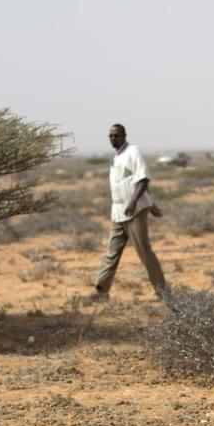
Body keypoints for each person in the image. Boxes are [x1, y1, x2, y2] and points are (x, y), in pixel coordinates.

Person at [90, 123, 167, 301]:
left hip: (134, 210)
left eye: (116, 135)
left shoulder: (133, 151)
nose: (113, 138)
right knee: (112, 251)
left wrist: (135, 202)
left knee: (143, 250)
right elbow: (130, 182)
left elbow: (143, 179)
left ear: (124, 135)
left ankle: (162, 291)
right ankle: (101, 290)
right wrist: (150, 202)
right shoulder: (117, 157)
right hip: (118, 212)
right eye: (110, 136)